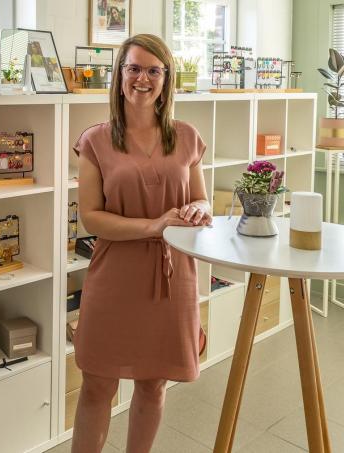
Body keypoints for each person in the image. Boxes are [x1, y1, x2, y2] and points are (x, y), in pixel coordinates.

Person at [70, 34, 212, 453]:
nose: (142, 79)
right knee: (98, 384)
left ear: (166, 80)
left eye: (153, 70)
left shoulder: (187, 137)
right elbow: (91, 217)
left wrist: (199, 208)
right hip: (115, 276)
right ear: (119, 76)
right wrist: (154, 226)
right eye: (133, 68)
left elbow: (201, 198)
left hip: (172, 278)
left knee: (153, 384)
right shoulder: (95, 141)